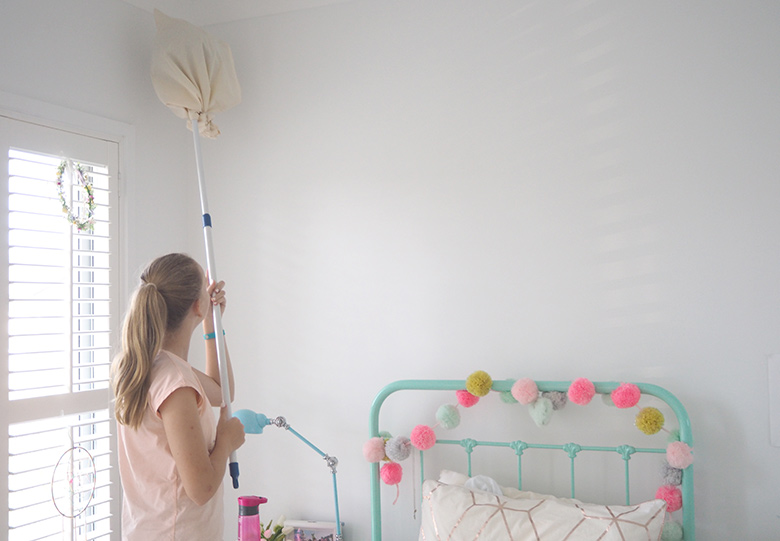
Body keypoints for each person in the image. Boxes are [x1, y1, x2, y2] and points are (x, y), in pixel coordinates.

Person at [111, 253, 246, 540]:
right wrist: (226, 441)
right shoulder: (176, 383)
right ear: (197, 305)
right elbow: (201, 489)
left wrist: (212, 323)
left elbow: (221, 393)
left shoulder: (149, 365)